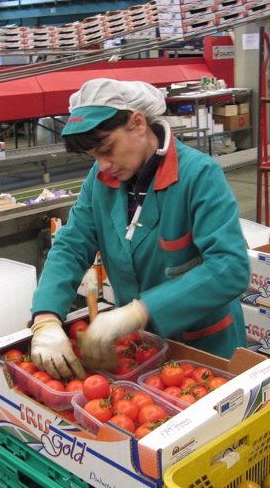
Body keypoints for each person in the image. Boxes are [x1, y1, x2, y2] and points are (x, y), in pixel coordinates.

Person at [29, 78, 249, 380]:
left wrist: (140, 311)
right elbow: (72, 244)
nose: (103, 165)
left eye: (107, 149)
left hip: (200, 350)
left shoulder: (198, 175)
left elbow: (231, 267)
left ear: (137, 123)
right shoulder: (102, 179)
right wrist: (46, 317)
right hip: (136, 351)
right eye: (94, 156)